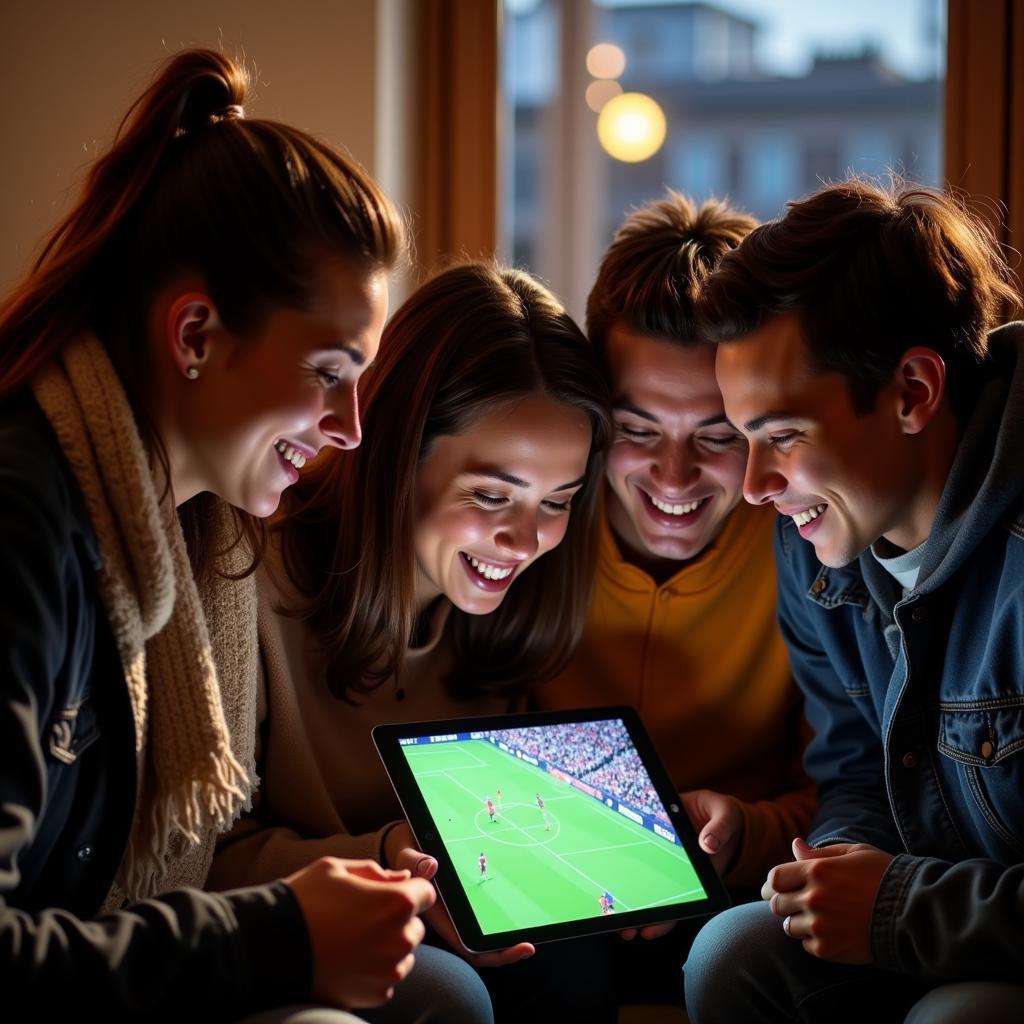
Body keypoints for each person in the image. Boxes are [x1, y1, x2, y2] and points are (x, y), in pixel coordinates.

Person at [0, 48, 448, 1021]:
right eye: (330, 369)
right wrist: (281, 935)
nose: (351, 427)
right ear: (195, 334)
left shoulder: (202, 546)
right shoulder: (23, 523)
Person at [207, 262, 616, 1023]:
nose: (525, 540)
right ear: (397, 455)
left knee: (572, 959)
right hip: (274, 937)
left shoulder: (497, 620)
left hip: (426, 918)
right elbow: (194, 861)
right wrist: (394, 856)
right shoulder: (250, 587)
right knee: (445, 993)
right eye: (491, 495)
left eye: (557, 502)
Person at [684, 177, 1024, 1024]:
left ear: (912, 390)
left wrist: (899, 908)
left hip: (993, 947)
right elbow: (854, 772)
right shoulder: (815, 554)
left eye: (785, 437)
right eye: (745, 440)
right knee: (732, 954)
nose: (756, 487)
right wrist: (835, 863)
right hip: (926, 923)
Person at [530, 191, 815, 1004]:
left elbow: (857, 788)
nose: (675, 477)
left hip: (740, 893)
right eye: (638, 429)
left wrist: (745, 831)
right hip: (547, 882)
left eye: (719, 436)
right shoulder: (527, 527)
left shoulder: (809, 545)